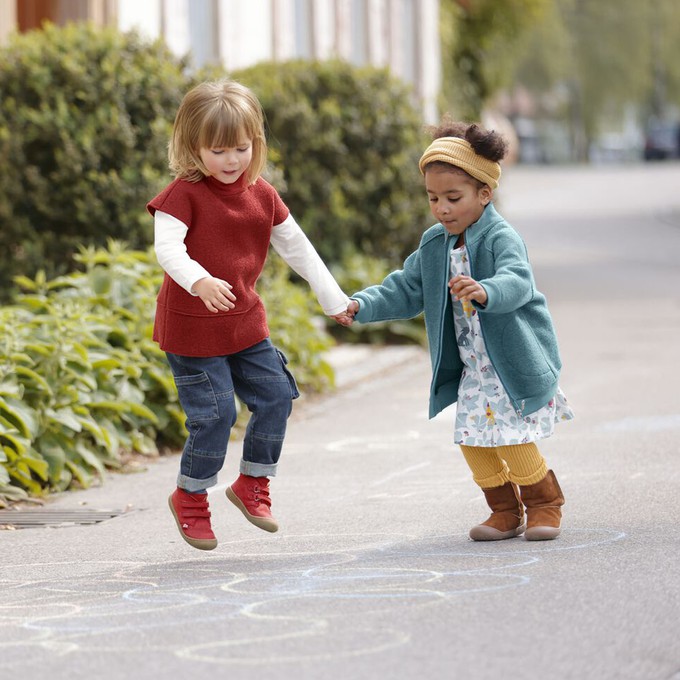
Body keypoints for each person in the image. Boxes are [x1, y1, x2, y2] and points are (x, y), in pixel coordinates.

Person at [148, 79, 352, 551]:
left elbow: (298, 249)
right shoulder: (182, 195)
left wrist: (333, 299)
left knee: (278, 395)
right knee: (217, 413)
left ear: (255, 145)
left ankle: (252, 483)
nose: (231, 160)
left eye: (240, 148)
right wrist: (198, 279)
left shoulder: (262, 195)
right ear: (192, 147)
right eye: (218, 150)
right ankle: (191, 495)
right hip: (192, 330)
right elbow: (167, 249)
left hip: (243, 325)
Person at [346, 119, 573, 541]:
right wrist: (361, 305)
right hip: (473, 369)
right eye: (433, 198)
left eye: (454, 198)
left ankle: (544, 502)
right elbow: (406, 287)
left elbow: (518, 280)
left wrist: (485, 290)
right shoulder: (436, 244)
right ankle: (504, 510)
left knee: (509, 437)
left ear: (484, 194)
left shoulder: (501, 237)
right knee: (472, 440)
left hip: (510, 361)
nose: (442, 208)